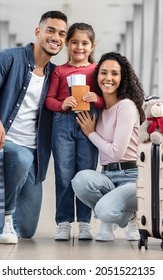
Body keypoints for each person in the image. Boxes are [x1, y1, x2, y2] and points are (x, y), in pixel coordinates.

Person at [0, 11, 68, 244]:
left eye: (61, 34)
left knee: (28, 230)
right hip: (2, 143)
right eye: (50, 30)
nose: (56, 37)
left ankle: (8, 192)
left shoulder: (55, 75)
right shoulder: (8, 59)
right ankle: (5, 215)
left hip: (36, 154)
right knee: (21, 158)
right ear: (38, 32)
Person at [71, 52, 145, 242]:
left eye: (115, 73)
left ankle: (132, 218)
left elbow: (116, 152)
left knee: (104, 209)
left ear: (123, 78)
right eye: (103, 73)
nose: (108, 78)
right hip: (108, 175)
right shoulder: (100, 110)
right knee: (79, 180)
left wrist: (91, 133)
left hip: (132, 177)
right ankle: (116, 216)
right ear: (97, 77)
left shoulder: (126, 106)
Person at [45, 22, 104, 241]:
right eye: (75, 43)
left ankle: (85, 223)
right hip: (62, 124)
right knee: (64, 175)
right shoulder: (59, 71)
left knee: (85, 175)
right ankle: (63, 223)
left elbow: (105, 100)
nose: (80, 47)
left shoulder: (97, 70)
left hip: (88, 123)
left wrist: (95, 99)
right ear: (68, 45)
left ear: (92, 46)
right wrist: (62, 104)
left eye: (85, 43)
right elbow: (49, 100)